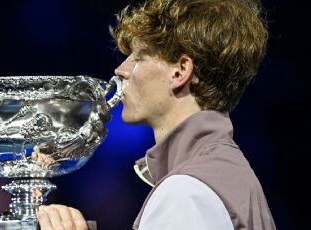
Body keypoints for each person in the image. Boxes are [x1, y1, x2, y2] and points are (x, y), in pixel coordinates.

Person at [38, 0, 276, 229]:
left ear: (180, 71)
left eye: (139, 57)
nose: (121, 70)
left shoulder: (186, 191)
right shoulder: (223, 172)